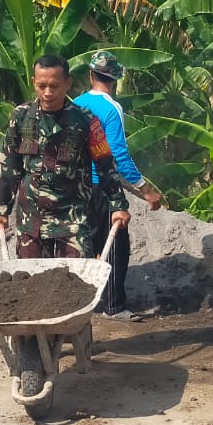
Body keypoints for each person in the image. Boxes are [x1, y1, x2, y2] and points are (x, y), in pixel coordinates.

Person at [0, 54, 131, 258]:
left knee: (76, 282)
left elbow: (105, 165)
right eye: (41, 86)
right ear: (33, 83)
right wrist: (1, 208)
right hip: (32, 218)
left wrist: (118, 205)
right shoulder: (20, 117)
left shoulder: (86, 121)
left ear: (68, 83)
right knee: (30, 282)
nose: (47, 93)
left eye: (54, 86)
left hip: (73, 217)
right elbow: (10, 167)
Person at [73, 49, 164, 321]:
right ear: (115, 79)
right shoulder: (112, 108)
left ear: (91, 75)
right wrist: (145, 189)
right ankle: (113, 306)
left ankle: (79, 305)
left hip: (76, 188)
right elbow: (118, 156)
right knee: (116, 245)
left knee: (83, 245)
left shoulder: (75, 103)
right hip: (102, 186)